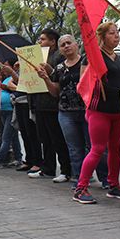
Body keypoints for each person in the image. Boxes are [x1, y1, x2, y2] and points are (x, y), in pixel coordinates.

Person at [72, 22, 120, 204]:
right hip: (99, 110)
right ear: (102, 36)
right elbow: (82, 85)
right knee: (98, 148)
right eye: (112, 33)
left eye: (117, 33)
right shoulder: (93, 56)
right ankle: (80, 188)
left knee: (115, 149)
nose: (116, 36)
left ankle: (114, 185)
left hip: (119, 110)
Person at [37, 34, 108, 186]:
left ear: (77, 45)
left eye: (69, 43)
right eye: (63, 45)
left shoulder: (87, 63)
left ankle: (105, 179)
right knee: (74, 149)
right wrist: (46, 79)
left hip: (88, 111)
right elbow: (55, 91)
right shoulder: (60, 68)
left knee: (95, 147)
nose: (66, 46)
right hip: (66, 113)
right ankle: (81, 178)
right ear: (60, 50)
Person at [27, 29, 72, 183]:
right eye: (39, 39)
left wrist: (50, 70)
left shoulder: (59, 56)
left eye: (43, 39)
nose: (40, 42)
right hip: (39, 102)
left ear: (53, 42)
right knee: (44, 138)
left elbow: (61, 78)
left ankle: (66, 170)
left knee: (57, 139)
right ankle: (48, 168)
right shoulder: (38, 56)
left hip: (53, 104)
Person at [0, 61, 23, 169]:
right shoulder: (5, 78)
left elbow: (15, 86)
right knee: (13, 137)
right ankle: (18, 158)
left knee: (6, 137)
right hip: (3, 110)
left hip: (11, 110)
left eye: (6, 65)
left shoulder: (14, 77)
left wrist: (6, 86)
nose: (3, 67)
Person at [12, 61, 42, 172]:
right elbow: (13, 83)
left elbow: (22, 84)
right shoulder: (20, 68)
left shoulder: (34, 65)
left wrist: (12, 73)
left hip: (27, 102)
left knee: (31, 133)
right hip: (18, 102)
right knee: (24, 133)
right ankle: (29, 160)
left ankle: (37, 161)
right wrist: (15, 71)